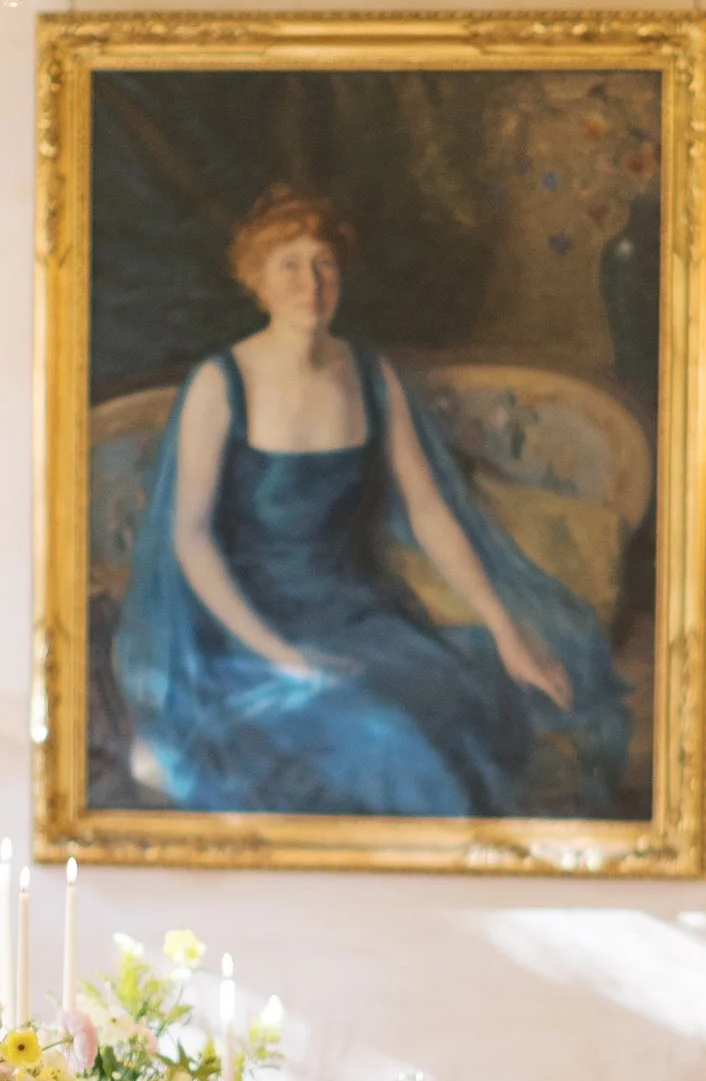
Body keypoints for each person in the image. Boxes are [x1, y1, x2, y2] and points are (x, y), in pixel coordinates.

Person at [112, 186, 629, 817]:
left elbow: (429, 509)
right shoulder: (221, 385)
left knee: (453, 705)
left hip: (357, 612)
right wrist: (278, 655)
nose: (312, 284)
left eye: (324, 264)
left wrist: (504, 626)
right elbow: (190, 537)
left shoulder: (368, 374)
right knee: (383, 743)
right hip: (244, 625)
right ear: (257, 283)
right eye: (290, 266)